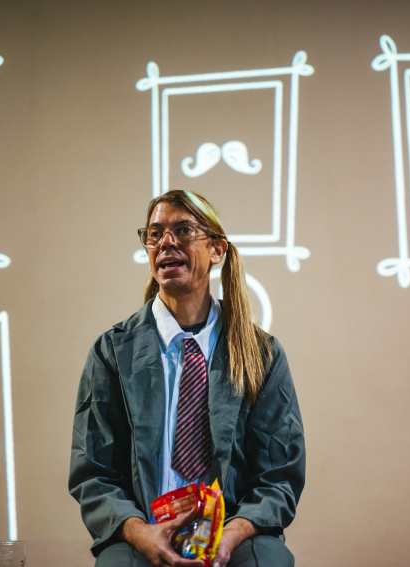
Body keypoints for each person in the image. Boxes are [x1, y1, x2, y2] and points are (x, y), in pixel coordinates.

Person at [69, 190, 305, 567]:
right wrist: (138, 532)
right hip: (142, 530)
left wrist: (234, 532)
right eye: (155, 233)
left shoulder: (261, 353)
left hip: (233, 531)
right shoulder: (112, 352)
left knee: (270, 562)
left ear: (217, 249)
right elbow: (94, 472)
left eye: (182, 230)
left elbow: (278, 475)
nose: (165, 242)